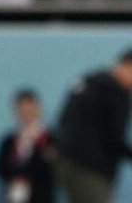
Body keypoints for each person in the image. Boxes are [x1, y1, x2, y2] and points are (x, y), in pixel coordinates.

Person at [53, 49, 132, 203]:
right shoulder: (115, 93)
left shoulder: (86, 82)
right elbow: (114, 137)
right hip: (91, 169)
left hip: (66, 162)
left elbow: (62, 121)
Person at [0, 89, 55, 203]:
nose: (26, 111)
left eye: (30, 106)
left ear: (38, 108)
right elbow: (0, 168)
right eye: (22, 107)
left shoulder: (49, 139)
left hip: (41, 196)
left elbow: (50, 168)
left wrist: (27, 177)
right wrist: (17, 178)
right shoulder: (8, 141)